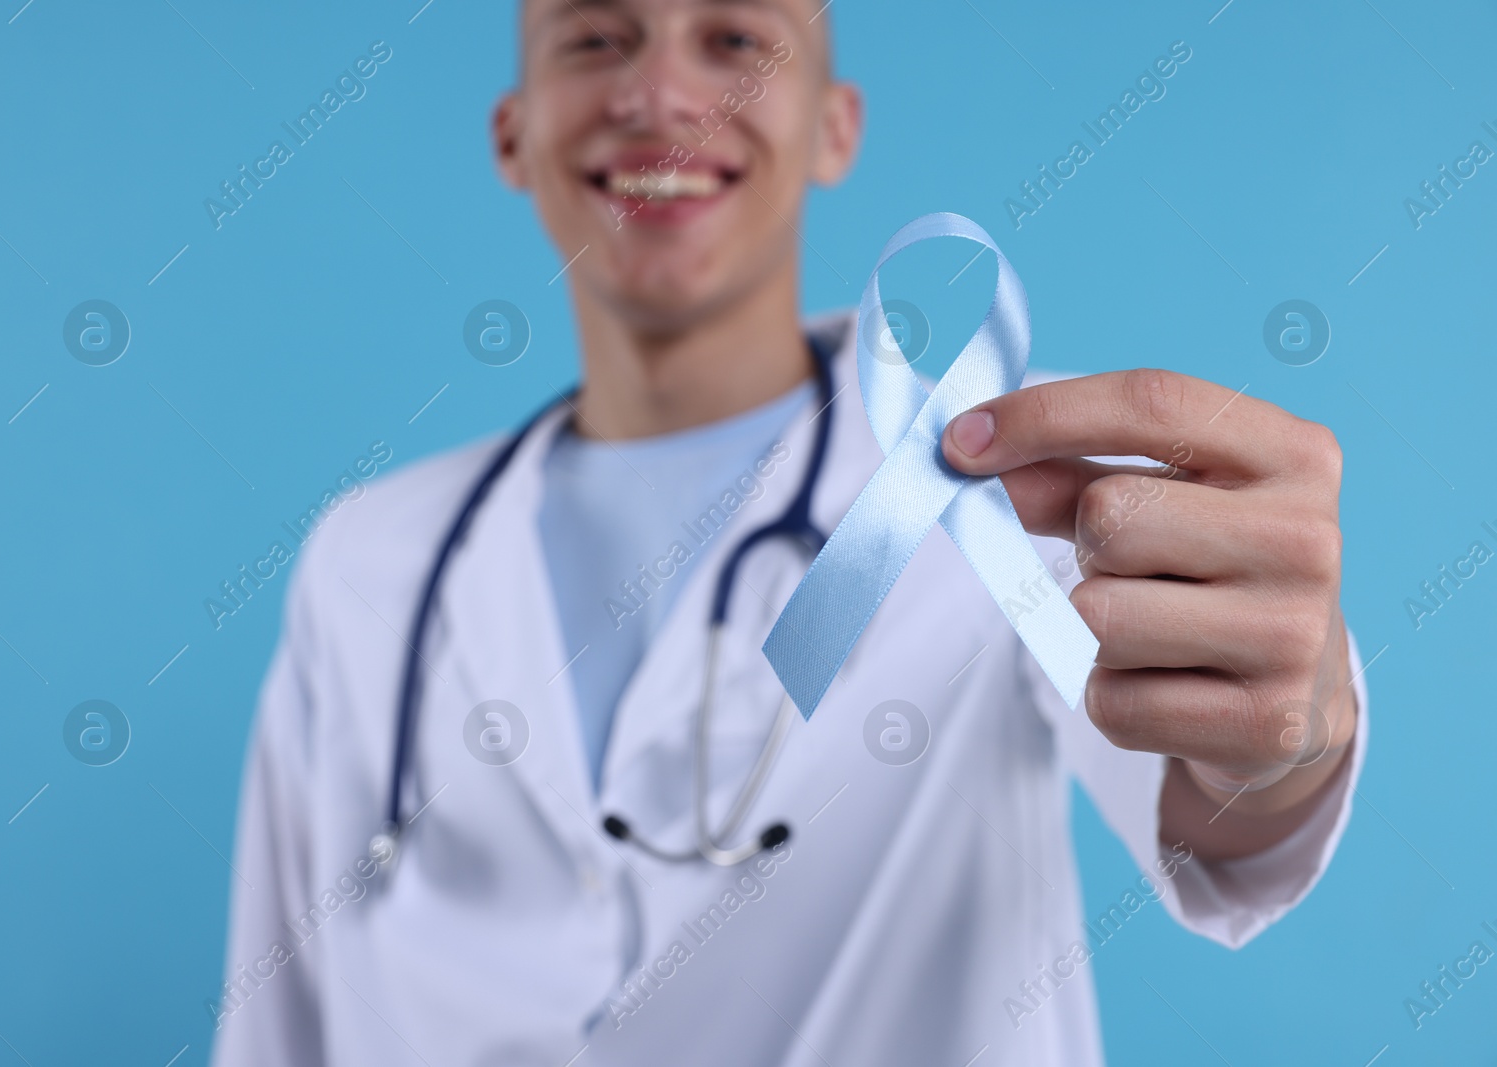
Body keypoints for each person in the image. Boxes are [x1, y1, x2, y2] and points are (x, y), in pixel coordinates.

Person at [210, 1, 1367, 1063]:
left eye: (728, 39)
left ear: (833, 126)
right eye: (594, 38)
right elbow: (278, 1020)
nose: (661, 94)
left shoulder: (1012, 477)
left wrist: (1284, 738)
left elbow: (1222, 805)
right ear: (512, 136)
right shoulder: (369, 558)